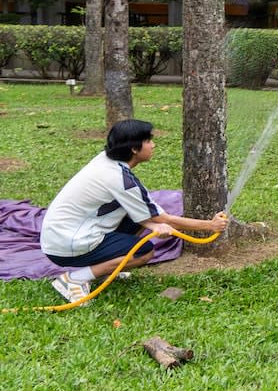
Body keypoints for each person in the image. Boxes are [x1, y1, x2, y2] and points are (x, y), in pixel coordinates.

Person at [40, 119, 229, 303]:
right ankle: (75, 279)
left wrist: (154, 224)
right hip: (66, 245)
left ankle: (110, 267)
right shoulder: (121, 180)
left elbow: (148, 215)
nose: (153, 145)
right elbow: (163, 218)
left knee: (136, 217)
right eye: (148, 141)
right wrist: (210, 225)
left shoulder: (106, 161)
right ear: (134, 149)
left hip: (60, 236)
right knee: (144, 252)